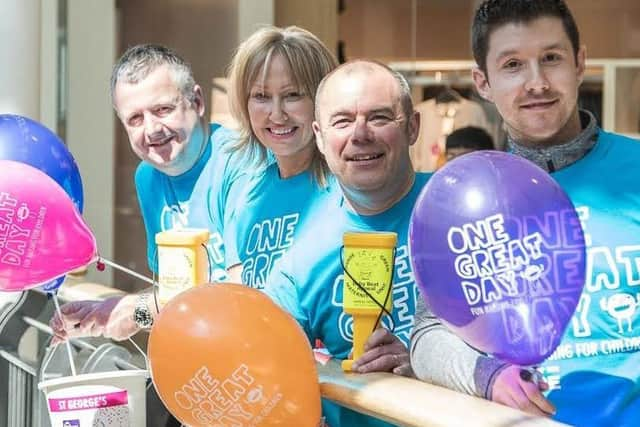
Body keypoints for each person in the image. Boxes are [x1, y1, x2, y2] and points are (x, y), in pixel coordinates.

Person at [410, 1, 640, 425]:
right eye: (513, 64)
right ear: (483, 81)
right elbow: (427, 335)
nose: (537, 83)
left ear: (580, 63)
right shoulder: (466, 202)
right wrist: (487, 376)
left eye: (551, 58)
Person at [264, 60, 430, 427]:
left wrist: (429, 362)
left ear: (413, 127)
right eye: (342, 122)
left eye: (380, 117)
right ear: (320, 137)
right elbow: (260, 363)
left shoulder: (460, 205)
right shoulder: (303, 254)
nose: (360, 134)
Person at [50, 44, 243, 342]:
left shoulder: (239, 161)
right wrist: (108, 313)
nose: (152, 130)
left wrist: (137, 311)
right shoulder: (148, 176)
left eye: (163, 109)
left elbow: (242, 294)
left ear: (197, 101)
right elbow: (171, 296)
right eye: (135, 119)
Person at [223, 26, 338, 288]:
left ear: (323, 99)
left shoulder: (349, 193)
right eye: (261, 96)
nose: (277, 115)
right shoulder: (247, 196)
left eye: (292, 95)